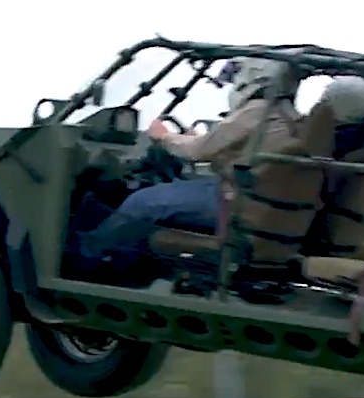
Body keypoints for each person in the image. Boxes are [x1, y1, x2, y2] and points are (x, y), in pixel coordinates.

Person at [74, 57, 301, 270]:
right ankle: (126, 257)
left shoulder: (258, 111)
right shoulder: (286, 114)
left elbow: (199, 151)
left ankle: (87, 255)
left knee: (143, 202)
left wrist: (163, 137)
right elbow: (230, 149)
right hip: (251, 196)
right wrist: (191, 139)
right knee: (163, 195)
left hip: (235, 199)